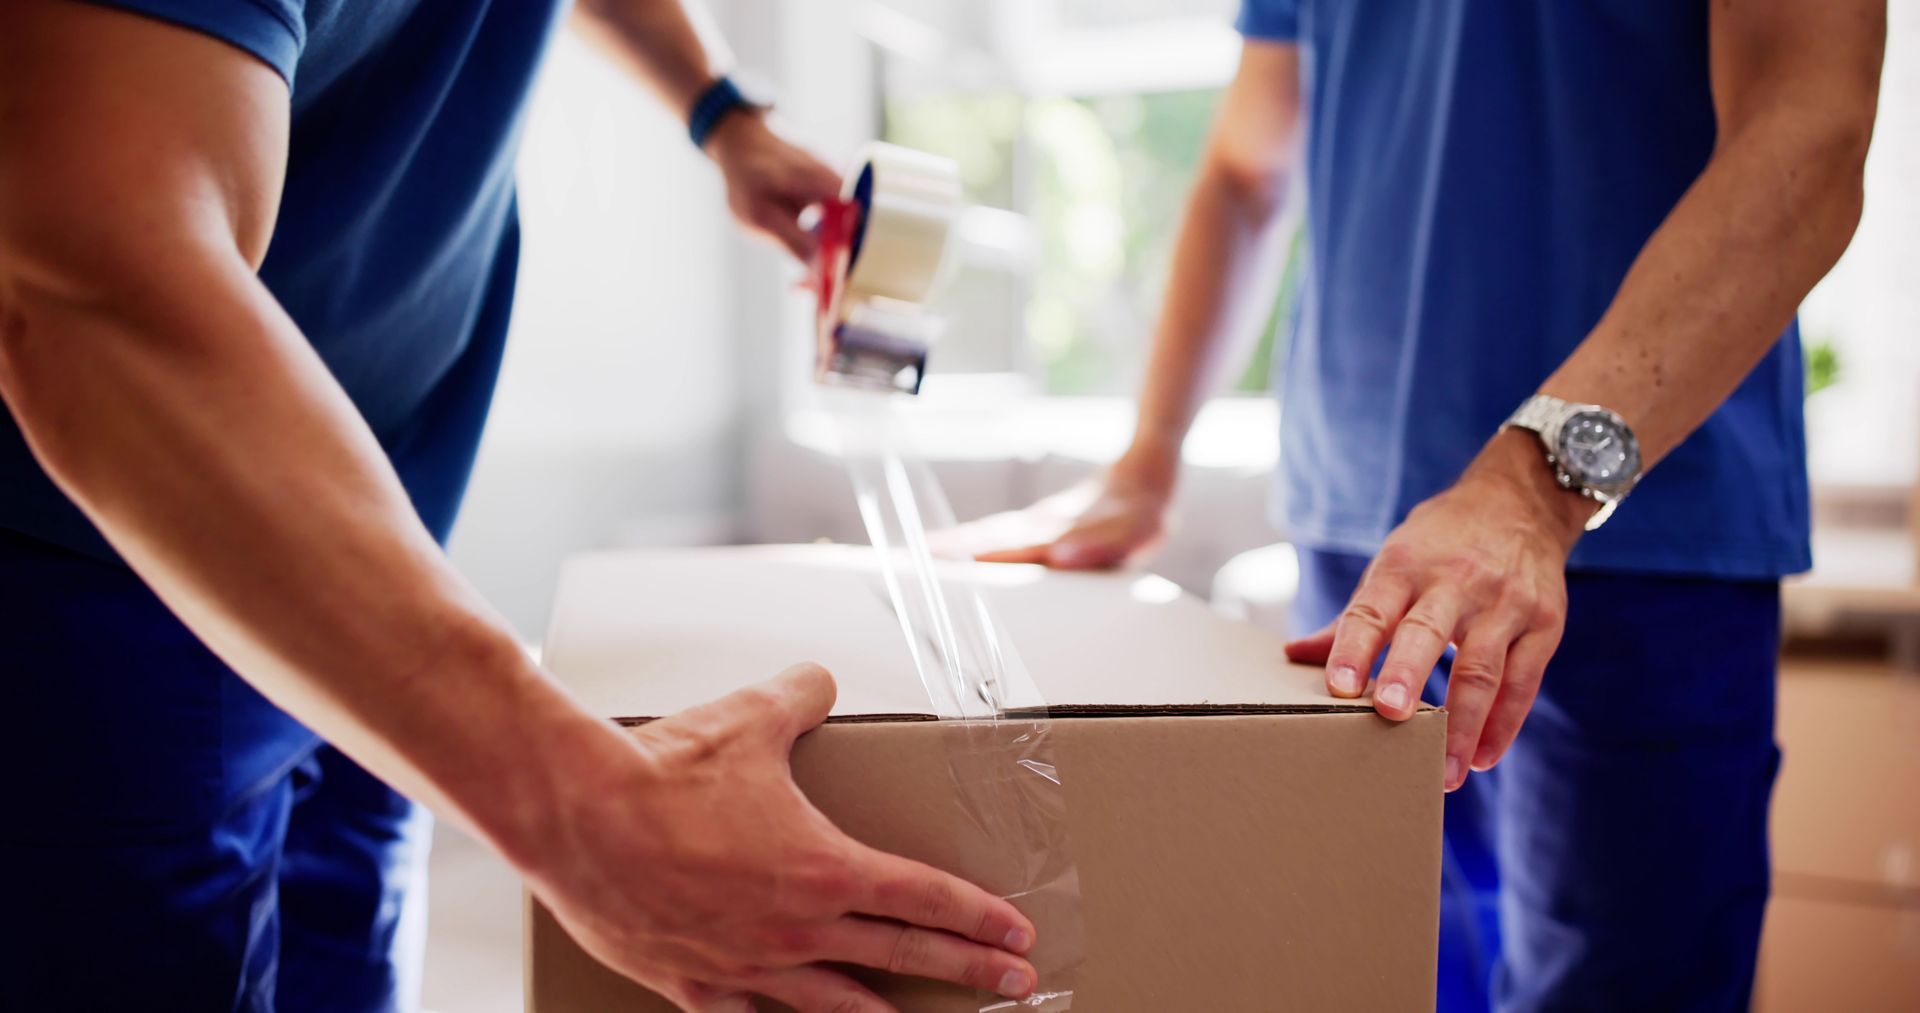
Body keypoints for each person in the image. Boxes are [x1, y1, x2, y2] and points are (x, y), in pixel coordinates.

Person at [0, 2, 1041, 1011]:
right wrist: (594, 814)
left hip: (381, 549)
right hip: (114, 574)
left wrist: (723, 112)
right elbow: (93, 282)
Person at [967, 1, 1885, 1009]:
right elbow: (1246, 166)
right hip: (1363, 551)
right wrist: (1145, 462)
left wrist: (1532, 489)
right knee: (1374, 975)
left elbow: (1809, 127)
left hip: (1642, 544)